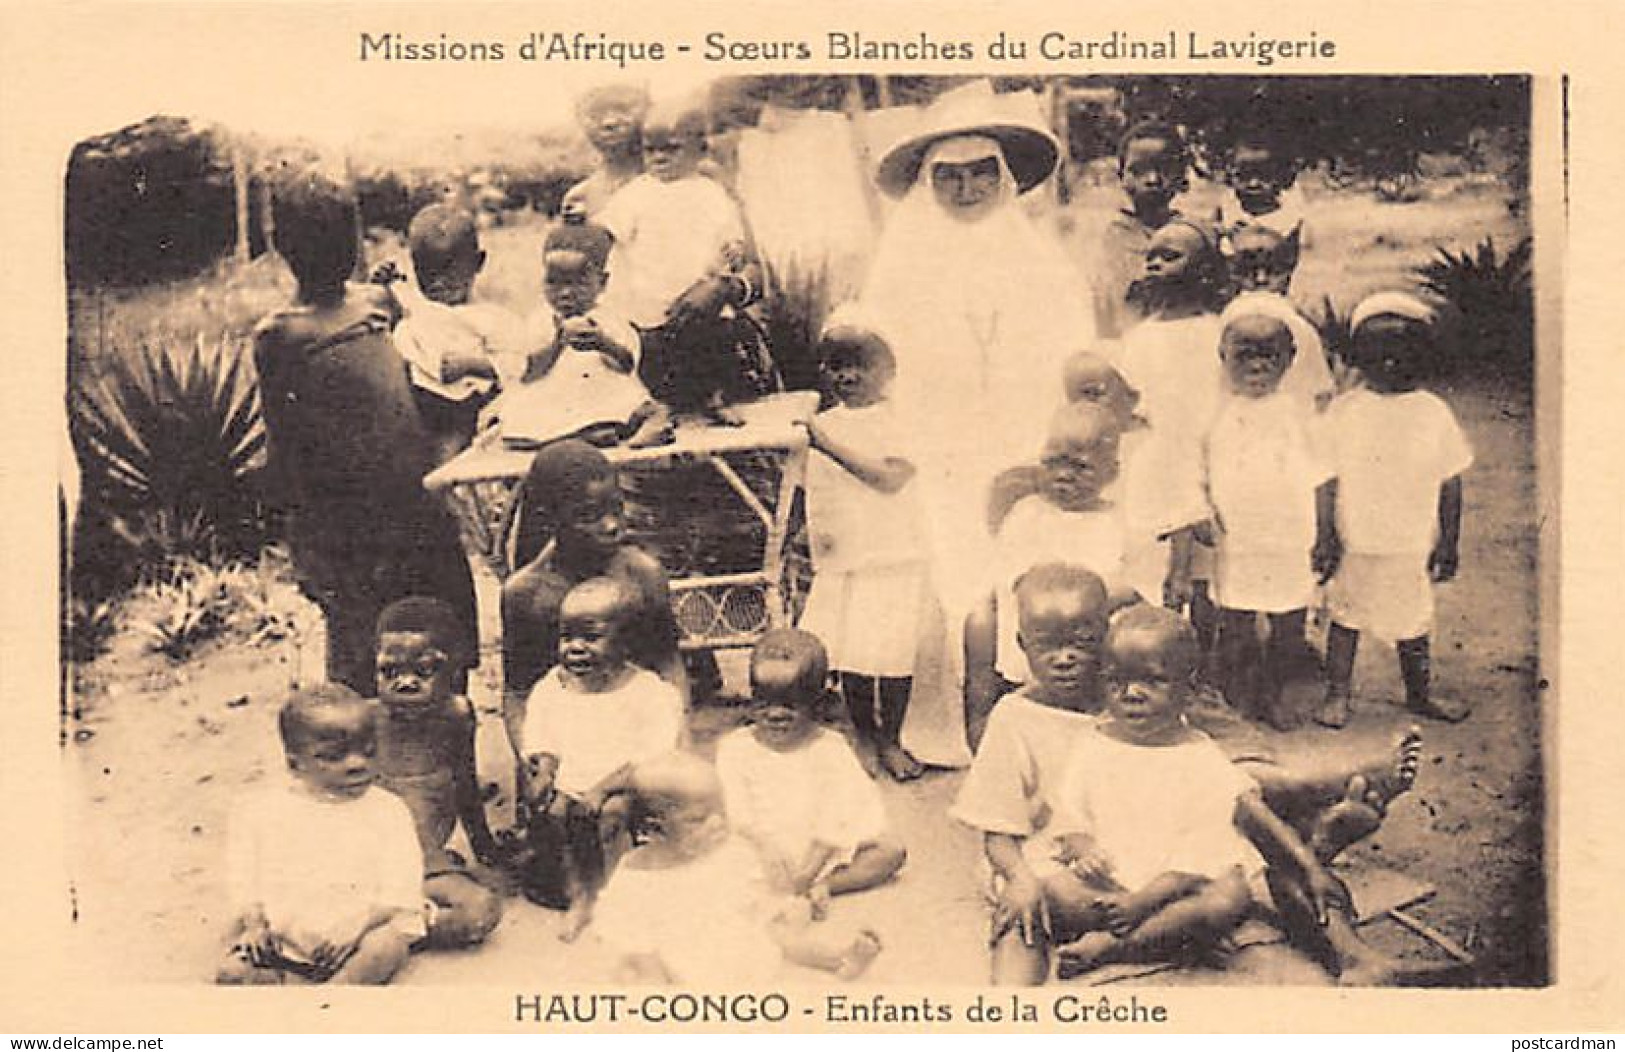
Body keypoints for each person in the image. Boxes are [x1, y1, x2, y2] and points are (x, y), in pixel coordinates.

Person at [859, 83, 1095, 760]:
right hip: (941, 445)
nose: (965, 189)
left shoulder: (1039, 258)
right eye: (949, 177)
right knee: (956, 575)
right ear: (928, 183)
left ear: (1003, 175)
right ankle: (963, 724)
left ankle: (1041, 711)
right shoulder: (902, 261)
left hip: (1026, 435)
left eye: (980, 173)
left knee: (1029, 561)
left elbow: (1070, 349)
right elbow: (879, 362)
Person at [1050, 607, 1435, 986]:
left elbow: (1241, 819)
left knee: (1230, 898)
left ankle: (1113, 949)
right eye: (1116, 682)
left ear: (1190, 689)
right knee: (1055, 893)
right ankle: (1315, 843)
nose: (1131, 694)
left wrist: (1309, 869)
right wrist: (1081, 847)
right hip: (1112, 882)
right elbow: (1067, 814)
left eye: (1152, 681)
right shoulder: (1092, 745)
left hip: (1181, 884)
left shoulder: (1200, 753)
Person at [252, 172, 476, 697]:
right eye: (313, 241)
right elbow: (284, 442)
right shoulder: (282, 334)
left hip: (415, 499)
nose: (330, 252)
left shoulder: (379, 303)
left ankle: (450, 768)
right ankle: (366, 764)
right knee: (360, 648)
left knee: (445, 627)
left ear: (354, 238)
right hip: (345, 518)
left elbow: (421, 378)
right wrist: (301, 539)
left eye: (338, 236)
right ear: (284, 247)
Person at [949, 563, 1114, 985]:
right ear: (1022, 644)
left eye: (1082, 643)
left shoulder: (1129, 703)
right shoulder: (1015, 717)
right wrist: (1020, 879)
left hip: (1116, 852)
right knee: (1030, 907)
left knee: (1215, 890)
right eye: (1047, 646)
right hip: (1039, 858)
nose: (1064, 659)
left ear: (1108, 638)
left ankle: (1125, 938)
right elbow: (997, 829)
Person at [1315, 293, 1474, 727]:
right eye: (1377, 354)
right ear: (1358, 358)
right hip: (1356, 542)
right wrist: (1326, 535)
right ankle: (1337, 693)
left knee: (1414, 623)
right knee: (1345, 618)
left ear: (1424, 355)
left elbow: (1450, 481)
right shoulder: (1345, 411)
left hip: (1410, 544)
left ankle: (1420, 693)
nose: (1389, 364)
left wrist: (1449, 543)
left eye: (1402, 354)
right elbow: (1325, 478)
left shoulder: (1432, 413)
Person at [591, 753, 884, 984]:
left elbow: (750, 901)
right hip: (679, 960)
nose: (718, 823)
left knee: (779, 932)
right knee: (642, 971)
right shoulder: (636, 881)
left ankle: (839, 958)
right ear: (655, 829)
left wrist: (770, 903)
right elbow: (634, 941)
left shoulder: (726, 852)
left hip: (736, 942)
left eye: (721, 812)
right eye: (699, 818)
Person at [794, 309, 931, 779]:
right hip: (844, 557)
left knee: (891, 653)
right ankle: (865, 734)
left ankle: (891, 736)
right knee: (852, 653)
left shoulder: (895, 421)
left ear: (887, 371)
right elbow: (816, 490)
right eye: (836, 365)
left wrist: (826, 444)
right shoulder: (824, 422)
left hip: (891, 555)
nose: (847, 375)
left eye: (860, 365)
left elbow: (891, 479)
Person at [216, 685, 424, 985]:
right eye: (333, 756)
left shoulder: (387, 810)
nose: (357, 765)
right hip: (283, 933)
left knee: (385, 945)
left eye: (368, 752)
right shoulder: (261, 809)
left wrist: (355, 929)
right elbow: (244, 878)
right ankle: (277, 979)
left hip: (357, 931)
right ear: (294, 764)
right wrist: (255, 924)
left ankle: (333, 996)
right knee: (233, 971)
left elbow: (399, 890)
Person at [516, 576, 686, 938]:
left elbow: (651, 755)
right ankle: (581, 893)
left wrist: (603, 789)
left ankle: (618, 895)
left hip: (627, 783)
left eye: (591, 638)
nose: (575, 648)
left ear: (626, 642)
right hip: (572, 779)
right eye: (567, 636)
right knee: (557, 812)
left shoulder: (648, 692)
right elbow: (541, 734)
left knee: (611, 816)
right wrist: (544, 769)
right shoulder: (553, 687)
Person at [595, 97, 767, 441]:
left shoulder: (711, 192)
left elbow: (731, 235)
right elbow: (606, 231)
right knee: (657, 352)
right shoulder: (637, 193)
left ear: (699, 149)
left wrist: (733, 249)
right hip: (651, 293)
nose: (658, 159)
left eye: (670, 149)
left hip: (700, 291)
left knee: (714, 345)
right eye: (650, 150)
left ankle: (715, 399)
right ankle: (662, 410)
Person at [965, 405, 1136, 740]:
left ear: (1111, 472)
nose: (1063, 476)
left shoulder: (1118, 521)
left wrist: (1095, 602)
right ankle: (983, 732)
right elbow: (1012, 578)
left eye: (1081, 468)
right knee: (980, 624)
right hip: (1036, 622)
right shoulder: (1029, 513)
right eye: (1053, 463)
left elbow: (1130, 586)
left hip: (1093, 626)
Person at [1202, 306, 1337, 729]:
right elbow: (1203, 475)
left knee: (1287, 623)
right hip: (1238, 540)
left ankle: (1278, 692)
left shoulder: (1298, 416)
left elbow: (1322, 478)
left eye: (1269, 355)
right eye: (1245, 354)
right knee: (1237, 620)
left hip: (1287, 539)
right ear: (1224, 357)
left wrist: (1326, 532)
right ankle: (1243, 695)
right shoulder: (1216, 415)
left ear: (1290, 357)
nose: (1257, 365)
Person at [500, 440, 684, 743]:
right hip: (568, 734)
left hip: (635, 726)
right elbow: (518, 692)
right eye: (588, 515)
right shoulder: (526, 593)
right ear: (549, 518)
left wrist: (678, 742)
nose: (612, 525)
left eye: (617, 508)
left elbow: (668, 664)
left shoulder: (642, 575)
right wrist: (529, 760)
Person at [716, 629, 907, 911]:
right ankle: (776, 890)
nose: (775, 714)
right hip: (761, 848)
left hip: (820, 848)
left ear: (817, 705)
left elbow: (837, 813)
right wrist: (765, 846)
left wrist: (811, 869)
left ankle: (826, 886)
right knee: (713, 859)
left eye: (791, 706)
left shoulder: (830, 747)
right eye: (764, 704)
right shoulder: (736, 747)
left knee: (890, 851)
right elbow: (736, 811)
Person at [1112, 217, 1231, 660]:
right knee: (1164, 572)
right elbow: (1131, 407)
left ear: (1202, 270)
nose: (1156, 264)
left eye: (1171, 255)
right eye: (1152, 256)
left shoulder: (1217, 331)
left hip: (1210, 456)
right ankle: (1165, 661)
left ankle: (1208, 669)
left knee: (1209, 573)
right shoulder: (1139, 339)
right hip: (1159, 461)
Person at [371, 598, 503, 949]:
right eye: (390, 671)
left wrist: (484, 847)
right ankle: (398, 922)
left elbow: (465, 785)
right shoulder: (364, 720)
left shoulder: (456, 716)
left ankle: (393, 924)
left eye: (424, 671)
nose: (406, 683)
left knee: (482, 911)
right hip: (370, 862)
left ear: (453, 672)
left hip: (426, 862)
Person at [380, 203, 525, 464]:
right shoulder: (418, 306)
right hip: (414, 402)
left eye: (449, 272)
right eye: (426, 272)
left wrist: (474, 365)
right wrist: (384, 288)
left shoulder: (492, 317)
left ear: (478, 262)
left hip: (463, 409)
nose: (438, 284)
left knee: (451, 451)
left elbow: (518, 366)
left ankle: (445, 486)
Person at [489, 215, 650, 446]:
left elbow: (627, 363)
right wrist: (557, 344)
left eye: (578, 284)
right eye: (554, 283)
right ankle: (581, 435)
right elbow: (529, 370)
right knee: (521, 418)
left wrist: (603, 343)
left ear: (602, 282)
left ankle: (588, 431)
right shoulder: (540, 320)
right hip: (553, 394)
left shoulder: (607, 318)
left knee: (627, 403)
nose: (565, 294)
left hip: (598, 390)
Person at [1088, 121, 1197, 340]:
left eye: (1165, 169)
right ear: (1121, 177)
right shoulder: (1107, 236)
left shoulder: (1193, 235)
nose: (1152, 180)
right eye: (1138, 171)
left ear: (1183, 178)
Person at [1222, 227, 1335, 411]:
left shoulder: (1298, 321)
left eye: (1273, 270)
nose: (1261, 280)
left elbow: (1319, 391)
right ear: (1232, 271)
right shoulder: (1229, 316)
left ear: (1289, 270)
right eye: (1247, 271)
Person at [562, 83, 651, 220]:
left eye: (624, 110)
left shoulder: (670, 184)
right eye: (595, 114)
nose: (609, 122)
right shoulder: (580, 197)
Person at [1217, 132, 1309, 245]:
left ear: (1279, 176)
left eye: (1265, 176)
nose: (1253, 183)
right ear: (1232, 173)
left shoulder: (1288, 212)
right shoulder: (1228, 203)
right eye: (1244, 176)